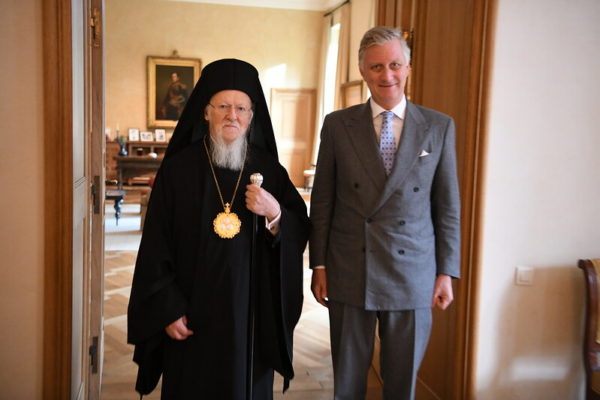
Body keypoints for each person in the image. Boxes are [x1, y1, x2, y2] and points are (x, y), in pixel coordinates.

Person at [128, 59, 310, 399]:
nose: (232, 116)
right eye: (223, 106)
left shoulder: (270, 168)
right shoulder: (178, 170)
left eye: (241, 108)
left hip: (249, 318)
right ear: (206, 112)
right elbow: (155, 245)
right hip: (190, 314)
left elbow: (298, 228)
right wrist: (167, 308)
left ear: (252, 116)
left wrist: (274, 214)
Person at [309, 26, 461, 400]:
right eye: (376, 66)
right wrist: (319, 265)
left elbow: (447, 206)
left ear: (408, 67)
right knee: (347, 383)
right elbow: (323, 201)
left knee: (401, 383)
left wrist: (446, 271)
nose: (387, 75)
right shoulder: (337, 124)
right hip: (350, 268)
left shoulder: (438, 126)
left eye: (394, 64)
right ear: (363, 70)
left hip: (413, 272)